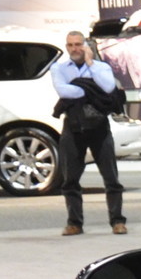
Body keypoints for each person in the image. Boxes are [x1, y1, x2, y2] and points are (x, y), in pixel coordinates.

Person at [49, 30, 127, 236]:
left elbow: (108, 87)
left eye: (78, 44)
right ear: (66, 47)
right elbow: (63, 91)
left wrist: (91, 68)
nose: (75, 49)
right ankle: (74, 222)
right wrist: (92, 90)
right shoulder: (58, 68)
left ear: (86, 45)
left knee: (111, 177)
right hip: (73, 127)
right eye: (71, 45)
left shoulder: (101, 67)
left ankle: (117, 220)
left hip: (99, 126)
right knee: (70, 179)